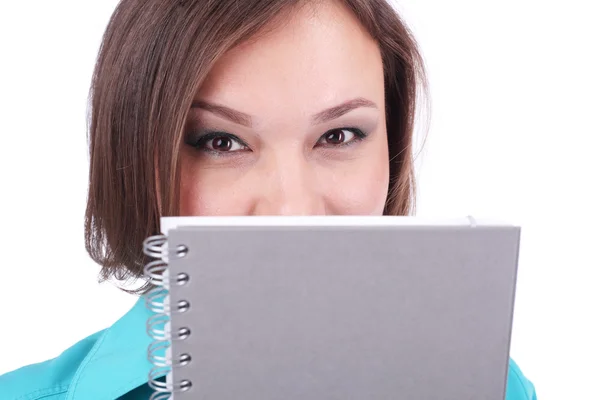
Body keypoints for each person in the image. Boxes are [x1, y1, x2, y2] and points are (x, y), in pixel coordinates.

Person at [0, 0, 537, 399]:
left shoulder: (493, 386)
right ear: (140, 157)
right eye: (221, 142)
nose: (292, 211)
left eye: (340, 136)